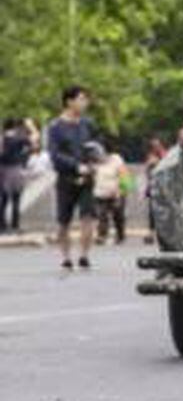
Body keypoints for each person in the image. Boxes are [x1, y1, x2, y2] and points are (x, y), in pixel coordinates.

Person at [46, 86, 97, 271]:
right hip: (66, 179)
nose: (85, 103)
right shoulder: (55, 127)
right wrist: (76, 166)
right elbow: (54, 154)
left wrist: (95, 161)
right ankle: (66, 258)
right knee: (63, 221)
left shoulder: (88, 124)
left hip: (87, 179)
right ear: (69, 101)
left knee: (88, 217)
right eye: (82, 99)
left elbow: (95, 145)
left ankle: (84, 256)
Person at [88, 142, 129, 246]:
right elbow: (91, 177)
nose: (96, 156)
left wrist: (121, 191)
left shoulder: (116, 159)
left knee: (118, 215)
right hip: (100, 194)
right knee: (102, 215)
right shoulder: (93, 162)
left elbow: (124, 175)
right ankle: (101, 235)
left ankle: (120, 235)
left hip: (116, 192)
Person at [0, 117, 33, 233]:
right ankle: (15, 225)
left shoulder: (2, 138)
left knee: (3, 200)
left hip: (3, 171)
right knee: (16, 200)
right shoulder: (19, 138)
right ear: (15, 127)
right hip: (16, 170)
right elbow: (33, 142)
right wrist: (31, 126)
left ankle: (2, 226)